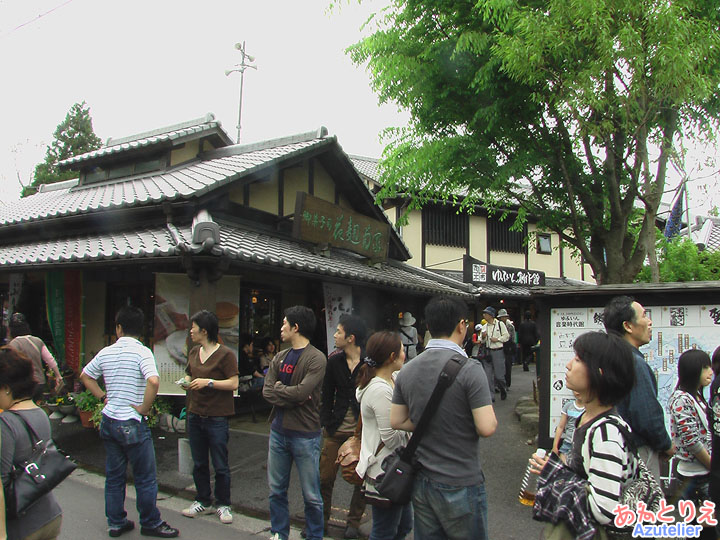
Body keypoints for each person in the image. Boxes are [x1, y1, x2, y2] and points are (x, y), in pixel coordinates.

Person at [391, 296, 496, 540]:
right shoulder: (470, 369)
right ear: (462, 326)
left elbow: (396, 420)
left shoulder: (407, 369)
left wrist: (430, 421)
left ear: (428, 327)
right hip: (461, 480)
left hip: (422, 480)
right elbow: (487, 426)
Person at [80, 306, 179, 538]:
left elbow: (85, 375)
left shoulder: (106, 352)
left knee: (114, 476)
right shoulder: (143, 352)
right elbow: (153, 381)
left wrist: (103, 397)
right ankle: (150, 522)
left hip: (109, 420)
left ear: (119, 328)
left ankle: (116, 522)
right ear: (140, 330)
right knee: (144, 477)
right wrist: (144, 408)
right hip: (132, 422)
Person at [530, 331, 637, 537]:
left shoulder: (606, 434)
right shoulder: (586, 418)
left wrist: (559, 477)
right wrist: (555, 470)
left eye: (578, 359)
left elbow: (604, 509)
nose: (569, 365)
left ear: (599, 372)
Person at [263, 306, 327, 540]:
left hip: (305, 435)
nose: (281, 328)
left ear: (295, 327)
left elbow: (303, 393)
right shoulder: (280, 356)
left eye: (284, 324)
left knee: (311, 494)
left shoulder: (316, 358)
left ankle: (314, 535)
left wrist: (282, 390)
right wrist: (287, 392)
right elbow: (268, 392)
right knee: (276, 490)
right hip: (278, 431)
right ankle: (279, 532)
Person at [603, 295, 675, 482]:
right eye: (644, 316)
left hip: (613, 449)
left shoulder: (608, 358)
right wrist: (666, 445)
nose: (649, 322)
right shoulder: (634, 363)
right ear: (628, 326)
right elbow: (647, 415)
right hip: (637, 451)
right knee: (644, 505)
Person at [179, 310, 239, 524]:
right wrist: (186, 381)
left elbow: (234, 383)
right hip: (195, 414)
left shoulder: (226, 355)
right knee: (199, 462)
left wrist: (209, 382)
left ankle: (223, 504)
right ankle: (202, 499)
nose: (191, 331)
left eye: (193, 327)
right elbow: (189, 373)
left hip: (217, 417)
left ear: (204, 330)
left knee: (220, 464)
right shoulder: (194, 352)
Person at [0, 347, 63, 540]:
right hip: (50, 515)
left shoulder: (6, 423)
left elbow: (1, 483)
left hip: (23, 526)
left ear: (7, 387)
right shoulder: (40, 413)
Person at [356, 331, 412, 540]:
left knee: (403, 525)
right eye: (402, 350)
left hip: (394, 468)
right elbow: (391, 438)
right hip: (385, 470)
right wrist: (412, 426)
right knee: (384, 531)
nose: (405, 354)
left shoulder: (392, 379)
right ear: (391, 356)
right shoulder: (379, 389)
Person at [319, 314, 368, 539]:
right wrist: (326, 423)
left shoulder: (369, 363)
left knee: (361, 482)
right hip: (335, 429)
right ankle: (320, 521)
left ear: (351, 338)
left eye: (339, 332)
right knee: (325, 478)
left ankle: (353, 524)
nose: (335, 335)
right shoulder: (334, 361)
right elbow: (326, 394)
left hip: (361, 432)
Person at [668, 349, 717, 539]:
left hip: (702, 472)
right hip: (694, 475)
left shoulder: (697, 397)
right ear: (692, 370)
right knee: (702, 528)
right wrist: (713, 466)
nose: (710, 371)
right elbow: (692, 441)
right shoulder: (681, 399)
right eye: (705, 367)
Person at [7, 313, 63, 393]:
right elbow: (50, 359)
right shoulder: (38, 341)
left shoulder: (14, 344)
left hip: (24, 385)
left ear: (11, 329)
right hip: (40, 382)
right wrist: (58, 376)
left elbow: (10, 365)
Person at [481, 306, 509, 400]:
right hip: (488, 352)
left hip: (498, 351)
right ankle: (491, 396)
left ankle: (503, 388)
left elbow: (506, 336)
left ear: (491, 315)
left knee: (499, 375)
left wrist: (498, 339)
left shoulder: (500, 324)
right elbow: (481, 340)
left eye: (486, 313)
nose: (484, 315)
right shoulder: (484, 327)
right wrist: (483, 337)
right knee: (488, 376)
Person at [551, 391, 585, 463]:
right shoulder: (568, 406)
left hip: (582, 445)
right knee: (563, 468)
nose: (577, 392)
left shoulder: (589, 408)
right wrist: (555, 446)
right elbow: (560, 427)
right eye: (575, 389)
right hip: (567, 444)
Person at [497, 309, 516, 389]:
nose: (503, 318)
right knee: (499, 366)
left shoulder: (510, 326)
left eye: (504, 317)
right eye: (501, 317)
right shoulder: (497, 326)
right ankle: (500, 384)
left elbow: (513, 337)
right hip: (499, 346)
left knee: (508, 366)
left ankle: (507, 384)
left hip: (508, 347)